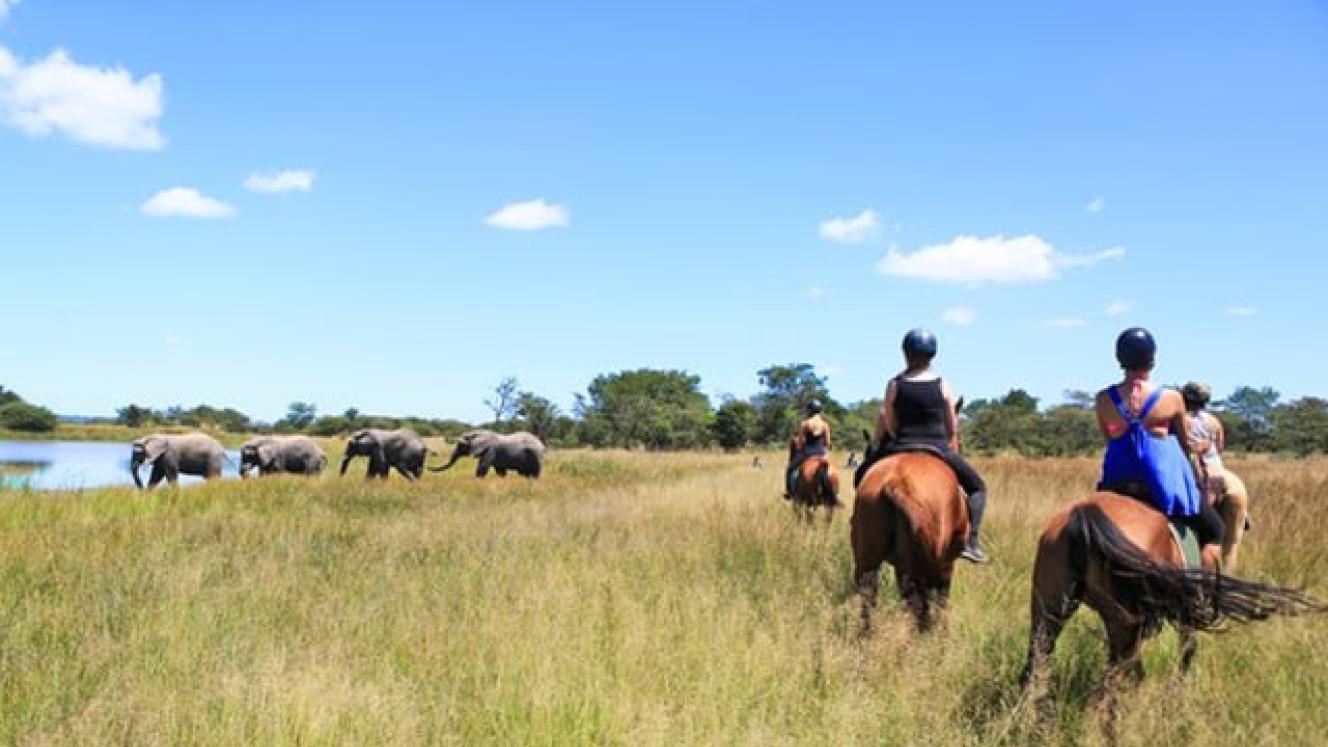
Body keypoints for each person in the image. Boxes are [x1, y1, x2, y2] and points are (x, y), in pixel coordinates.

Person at [860, 328, 990, 563]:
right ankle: (971, 542)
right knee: (978, 488)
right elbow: (952, 424)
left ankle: (860, 523)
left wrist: (899, 437)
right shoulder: (943, 385)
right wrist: (947, 439)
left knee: (862, 474)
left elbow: (890, 422)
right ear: (933, 354)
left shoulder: (894, 384)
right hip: (938, 446)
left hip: (899, 445)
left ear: (905, 353)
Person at [1095, 328, 1224, 556]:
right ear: (1152, 359)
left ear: (1119, 358)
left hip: (1117, 480)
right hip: (1161, 484)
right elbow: (1185, 444)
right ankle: (1204, 589)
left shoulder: (1103, 399)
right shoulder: (1171, 398)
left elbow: (1110, 438)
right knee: (1215, 530)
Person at [784, 400, 831, 499]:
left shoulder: (805, 424)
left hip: (807, 453)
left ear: (809, 411)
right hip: (821, 454)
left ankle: (789, 492)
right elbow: (827, 442)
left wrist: (798, 447)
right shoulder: (825, 425)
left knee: (790, 469)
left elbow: (802, 442)